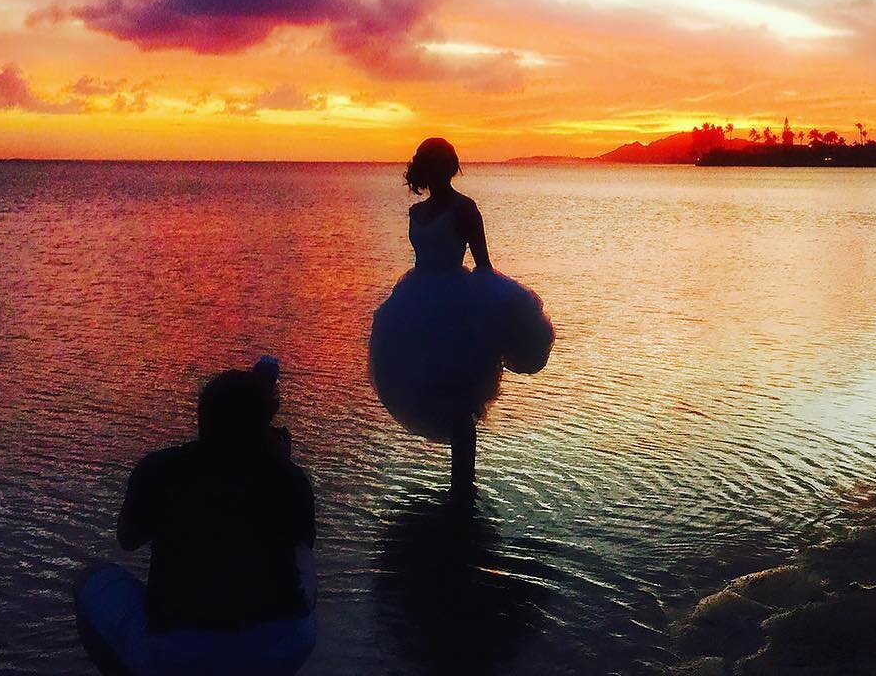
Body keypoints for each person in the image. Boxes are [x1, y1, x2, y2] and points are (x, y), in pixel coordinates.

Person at [73, 357, 316, 676]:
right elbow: (302, 547)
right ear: (264, 422)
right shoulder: (290, 479)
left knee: (88, 582)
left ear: (203, 418)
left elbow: (127, 539)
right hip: (283, 646)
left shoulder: (161, 469)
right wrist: (280, 467)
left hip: (182, 655)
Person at [368, 137, 554, 501]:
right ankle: (460, 497)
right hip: (417, 306)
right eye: (431, 163)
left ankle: (463, 488)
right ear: (423, 167)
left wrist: (496, 311)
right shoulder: (416, 212)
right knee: (430, 389)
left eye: (443, 163)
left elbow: (483, 266)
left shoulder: (465, 209)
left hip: (456, 304)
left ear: (450, 167)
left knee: (461, 401)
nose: (438, 170)